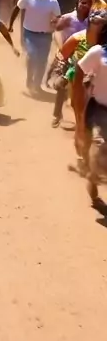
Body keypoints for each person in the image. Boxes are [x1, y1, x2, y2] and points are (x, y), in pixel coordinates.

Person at [73, 12, 107, 208]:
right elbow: (79, 70)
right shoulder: (98, 53)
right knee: (98, 146)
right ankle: (93, 181)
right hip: (99, 109)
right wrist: (77, 100)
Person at [9, 0, 61, 95]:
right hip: (30, 34)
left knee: (42, 60)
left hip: (46, 35)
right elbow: (16, 9)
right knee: (32, 56)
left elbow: (58, 18)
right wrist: (10, 24)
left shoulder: (53, 1)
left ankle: (37, 84)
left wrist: (55, 23)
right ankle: (29, 79)